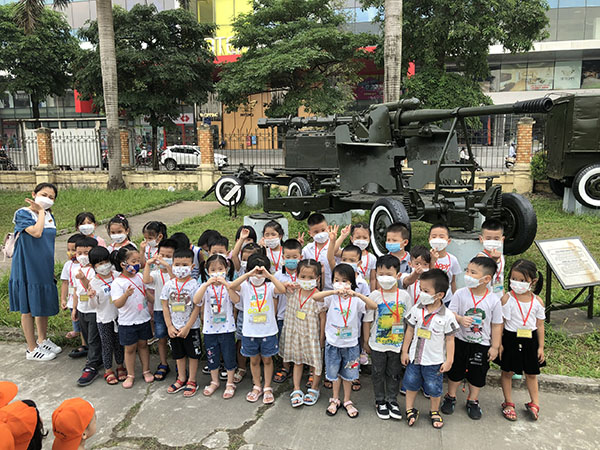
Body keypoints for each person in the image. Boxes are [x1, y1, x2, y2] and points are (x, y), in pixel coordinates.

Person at [313, 264, 377, 419]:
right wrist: (334, 291)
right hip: (333, 343)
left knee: (349, 374)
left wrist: (358, 294)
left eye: (344, 280)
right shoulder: (331, 297)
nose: (340, 283)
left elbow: (373, 306)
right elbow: (315, 297)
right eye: (337, 280)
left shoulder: (356, 300)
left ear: (351, 282)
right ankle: (335, 399)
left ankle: (347, 400)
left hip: (351, 345)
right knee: (334, 374)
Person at [442, 257, 503, 420]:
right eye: (467, 271)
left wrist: (495, 346)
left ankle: (473, 400)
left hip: (481, 344)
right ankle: (450, 396)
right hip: (460, 340)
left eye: (473, 272)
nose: (467, 275)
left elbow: (497, 325)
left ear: (486, 279)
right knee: (455, 370)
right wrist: (460, 319)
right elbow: (450, 313)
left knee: (478, 373)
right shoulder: (460, 294)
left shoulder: (494, 300)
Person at [9, 182, 62, 361]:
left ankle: (42, 339)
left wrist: (50, 266)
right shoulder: (23, 213)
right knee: (28, 308)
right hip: (27, 265)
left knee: (42, 304)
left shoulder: (50, 216)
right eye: (44, 195)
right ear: (34, 194)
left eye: (51, 197)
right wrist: (40, 212)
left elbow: (49, 242)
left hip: (44, 265)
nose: (47, 199)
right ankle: (31, 349)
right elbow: (36, 233)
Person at [401, 269, 458, 429]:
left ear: (439, 295)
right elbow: (410, 331)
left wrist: (449, 360)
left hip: (434, 361)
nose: (421, 294)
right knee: (411, 384)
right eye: (420, 289)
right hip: (414, 359)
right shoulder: (416, 309)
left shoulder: (447, 316)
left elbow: (450, 339)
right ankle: (410, 409)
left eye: (426, 291)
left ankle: (434, 411)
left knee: (434, 388)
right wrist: (405, 351)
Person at [229, 254, 287, 404]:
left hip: (268, 331)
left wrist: (269, 275)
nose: (258, 276)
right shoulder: (245, 287)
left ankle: (267, 387)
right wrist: (248, 274)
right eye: (255, 272)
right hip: (250, 332)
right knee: (254, 360)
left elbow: (282, 290)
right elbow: (231, 286)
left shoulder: (270, 286)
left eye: (261, 272)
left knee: (267, 360)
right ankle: (257, 386)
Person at [363, 254, 409, 421]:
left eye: (389, 274)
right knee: (377, 373)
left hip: (397, 345)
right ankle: (380, 400)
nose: (384, 278)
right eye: (381, 274)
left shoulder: (404, 296)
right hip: (377, 345)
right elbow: (367, 320)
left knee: (394, 373)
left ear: (398, 275)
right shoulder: (374, 295)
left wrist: (406, 347)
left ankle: (392, 400)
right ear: (376, 275)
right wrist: (366, 341)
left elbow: (409, 322)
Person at [499, 259, 546, 422]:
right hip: (510, 338)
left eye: (522, 280)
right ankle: (508, 403)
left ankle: (535, 403)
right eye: (514, 279)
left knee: (531, 373)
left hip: (530, 340)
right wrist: (498, 344)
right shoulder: (507, 299)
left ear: (533, 281)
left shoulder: (537, 301)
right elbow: (501, 323)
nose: (517, 283)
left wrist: (541, 347)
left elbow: (540, 325)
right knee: (507, 372)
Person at [279, 259, 325, 407]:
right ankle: (296, 388)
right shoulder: (293, 291)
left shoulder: (319, 296)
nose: (306, 280)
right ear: (297, 276)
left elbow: (322, 318)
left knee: (316, 363)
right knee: (297, 362)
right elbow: (277, 287)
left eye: (311, 277)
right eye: (303, 276)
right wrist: (287, 284)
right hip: (296, 333)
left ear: (318, 278)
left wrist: (321, 337)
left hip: (312, 335)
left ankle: (314, 388)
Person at [194, 255, 240, 399]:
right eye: (213, 270)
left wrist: (227, 285)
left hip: (227, 328)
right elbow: (196, 300)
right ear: (207, 272)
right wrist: (205, 285)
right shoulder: (205, 287)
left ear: (226, 269)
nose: (217, 273)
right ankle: (214, 381)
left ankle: (230, 383)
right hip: (210, 329)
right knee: (212, 355)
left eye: (220, 269)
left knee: (229, 355)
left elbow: (236, 300)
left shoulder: (230, 285)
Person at [110, 246, 153, 389]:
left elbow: (146, 294)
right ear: (123, 264)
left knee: (143, 345)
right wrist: (126, 295)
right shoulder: (118, 283)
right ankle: (130, 374)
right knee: (129, 348)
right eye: (133, 261)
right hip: (127, 322)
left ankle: (146, 370)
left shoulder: (140, 277)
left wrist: (156, 302)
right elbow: (117, 304)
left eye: (138, 261)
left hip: (143, 318)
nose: (137, 264)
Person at [161, 248, 202, 398]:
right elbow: (165, 306)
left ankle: (192, 380)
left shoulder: (195, 285)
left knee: (193, 354)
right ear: (172, 265)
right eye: (177, 265)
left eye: (184, 265)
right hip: (174, 327)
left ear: (192, 266)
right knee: (178, 354)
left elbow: (197, 307)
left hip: (191, 327)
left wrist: (188, 327)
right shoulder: (168, 285)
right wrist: (169, 326)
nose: (180, 268)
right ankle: (181, 378)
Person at [87, 246, 126, 385]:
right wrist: (92, 297)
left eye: (106, 262)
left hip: (119, 316)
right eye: (100, 263)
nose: (104, 266)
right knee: (107, 344)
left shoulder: (117, 275)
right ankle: (108, 370)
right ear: (93, 266)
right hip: (104, 318)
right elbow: (93, 306)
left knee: (119, 343)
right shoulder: (94, 282)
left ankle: (120, 366)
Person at [142, 239, 177, 381]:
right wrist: (148, 264)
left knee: (176, 339)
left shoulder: (176, 272)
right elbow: (146, 280)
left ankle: (179, 364)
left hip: (176, 312)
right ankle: (163, 363)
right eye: (162, 255)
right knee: (161, 338)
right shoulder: (156, 273)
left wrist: (168, 266)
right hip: (159, 310)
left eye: (169, 256)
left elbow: (175, 281)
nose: (164, 258)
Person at [71, 237, 101, 386]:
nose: (82, 256)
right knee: (87, 335)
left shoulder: (95, 270)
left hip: (93, 309)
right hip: (82, 308)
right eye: (79, 253)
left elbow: (91, 287)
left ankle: (92, 364)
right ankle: (96, 357)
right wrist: (74, 308)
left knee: (93, 337)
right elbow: (76, 291)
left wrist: (83, 278)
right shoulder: (76, 269)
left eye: (86, 253)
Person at [232, 242, 263, 384]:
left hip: (258, 314)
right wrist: (241, 239)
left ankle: (256, 369)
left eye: (249, 259)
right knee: (241, 341)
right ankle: (242, 367)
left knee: (258, 342)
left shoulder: (263, 276)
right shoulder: (241, 273)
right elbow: (234, 256)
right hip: (243, 314)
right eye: (244, 259)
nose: (246, 262)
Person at [273, 239, 303, 384]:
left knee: (299, 343)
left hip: (300, 316)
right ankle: (285, 367)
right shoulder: (278, 275)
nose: (291, 260)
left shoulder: (304, 275)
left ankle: (299, 366)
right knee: (283, 342)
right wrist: (274, 315)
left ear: (300, 257)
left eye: (295, 257)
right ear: (283, 257)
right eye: (288, 257)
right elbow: (275, 297)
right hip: (283, 315)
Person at [60, 234, 86, 347]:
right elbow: (65, 283)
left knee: (84, 323)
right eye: (68, 250)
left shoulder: (85, 265)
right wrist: (63, 299)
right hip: (72, 299)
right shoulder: (68, 265)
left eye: (73, 250)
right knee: (75, 319)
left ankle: (84, 344)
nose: (71, 253)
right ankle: (77, 333)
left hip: (83, 299)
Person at [428, 224, 462, 305]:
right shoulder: (426, 258)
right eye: (434, 236)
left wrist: (455, 299)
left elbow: (453, 281)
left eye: (441, 237)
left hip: (447, 299)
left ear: (448, 241)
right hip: (430, 298)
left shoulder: (453, 259)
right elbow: (429, 277)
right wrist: (432, 261)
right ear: (429, 240)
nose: (437, 239)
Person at [302, 213, 333, 290]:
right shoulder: (307, 250)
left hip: (332, 290)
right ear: (310, 233)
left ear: (328, 228)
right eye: (316, 232)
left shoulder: (334, 247)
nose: (320, 234)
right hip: (312, 290)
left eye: (323, 230)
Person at [477, 219, 506, 296]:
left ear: (502, 239)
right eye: (488, 238)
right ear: (481, 239)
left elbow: (501, 277)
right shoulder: (480, 257)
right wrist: (493, 260)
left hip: (498, 293)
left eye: (496, 239)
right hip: (485, 296)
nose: (492, 241)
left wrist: (503, 294)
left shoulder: (501, 257)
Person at [400, 246, 432, 311]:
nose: (421, 267)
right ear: (410, 264)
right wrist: (416, 274)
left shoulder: (430, 278)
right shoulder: (405, 275)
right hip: (408, 311)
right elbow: (408, 281)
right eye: (417, 264)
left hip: (425, 311)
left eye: (425, 264)